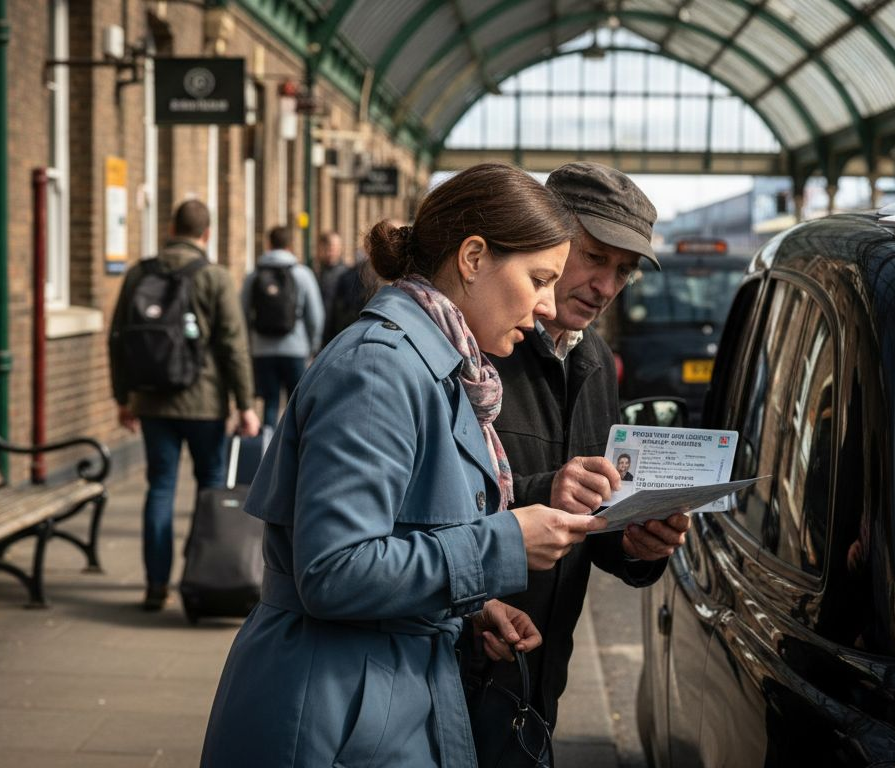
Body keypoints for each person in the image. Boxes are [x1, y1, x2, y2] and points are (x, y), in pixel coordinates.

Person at [201, 163, 610, 767]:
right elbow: (334, 569)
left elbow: (398, 532)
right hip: (333, 712)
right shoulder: (379, 370)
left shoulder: (438, 366)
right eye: (539, 279)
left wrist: (473, 606)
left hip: (374, 695)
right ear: (473, 258)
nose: (547, 306)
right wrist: (504, 544)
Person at [480, 161, 691, 735]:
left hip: (541, 678)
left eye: (624, 271)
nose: (606, 287)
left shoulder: (594, 360)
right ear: (544, 237)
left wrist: (636, 543)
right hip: (458, 662)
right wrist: (543, 491)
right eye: (595, 257)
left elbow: (593, 521)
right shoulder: (482, 344)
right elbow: (423, 509)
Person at [108, 200, 261, 611]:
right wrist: (245, 404)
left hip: (151, 401)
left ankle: (156, 585)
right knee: (210, 489)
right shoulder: (214, 276)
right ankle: (203, 577)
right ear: (206, 234)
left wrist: (124, 397)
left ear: (171, 228)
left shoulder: (140, 273)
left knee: (160, 487)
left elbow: (118, 337)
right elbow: (232, 344)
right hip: (203, 403)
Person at [240, 226, 324, 429]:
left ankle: (268, 442)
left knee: (270, 403)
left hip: (262, 350)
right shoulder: (302, 274)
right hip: (296, 349)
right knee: (297, 404)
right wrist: (313, 347)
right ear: (290, 245)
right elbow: (316, 315)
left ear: (268, 244)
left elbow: (242, 311)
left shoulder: (254, 275)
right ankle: (293, 446)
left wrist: (251, 343)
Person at [315, 229, 348, 312]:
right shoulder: (316, 272)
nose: (330, 251)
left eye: (334, 247)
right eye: (328, 247)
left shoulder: (346, 274)